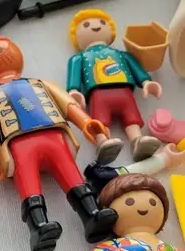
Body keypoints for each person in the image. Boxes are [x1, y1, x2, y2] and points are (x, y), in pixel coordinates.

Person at [0, 36, 118, 251]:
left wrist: (86, 122)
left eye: (0, 51)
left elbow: (67, 104)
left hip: (54, 135)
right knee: (28, 182)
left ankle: (92, 214)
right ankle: (38, 227)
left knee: (72, 176)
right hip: (18, 144)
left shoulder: (41, 83)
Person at [66, 9, 162, 160]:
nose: (95, 26)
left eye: (102, 23)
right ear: (75, 37)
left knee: (131, 117)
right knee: (100, 120)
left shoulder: (121, 54)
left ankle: (137, 141)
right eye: (86, 25)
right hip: (98, 94)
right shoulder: (79, 58)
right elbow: (74, 76)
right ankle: (103, 143)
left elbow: (135, 68)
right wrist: (73, 91)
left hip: (124, 92)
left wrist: (146, 81)